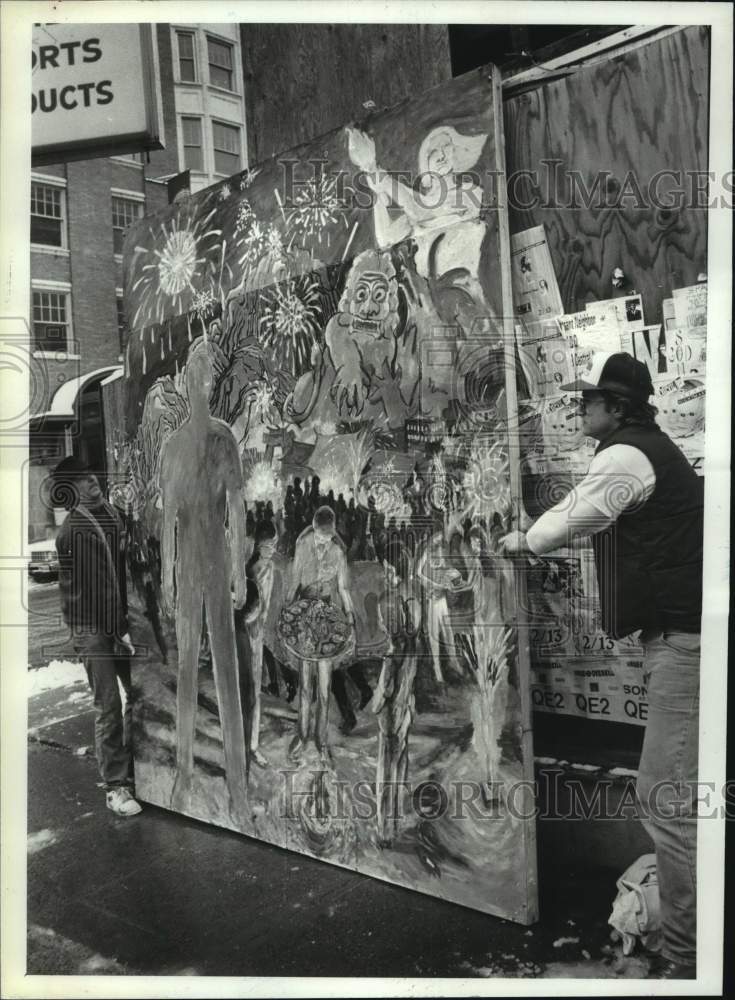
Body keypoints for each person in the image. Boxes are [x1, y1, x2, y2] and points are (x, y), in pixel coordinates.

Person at [500, 351, 702, 980]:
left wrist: (523, 540)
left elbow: (577, 515)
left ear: (618, 408)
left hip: (684, 644)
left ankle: (689, 957)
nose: (579, 407)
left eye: (589, 400)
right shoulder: (647, 451)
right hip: (682, 638)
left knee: (666, 803)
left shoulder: (627, 455)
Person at [52, 457, 141, 817]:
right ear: (72, 490)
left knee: (138, 693)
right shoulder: (74, 531)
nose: (95, 484)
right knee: (108, 703)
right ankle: (116, 787)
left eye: (94, 477)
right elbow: (99, 587)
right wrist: (121, 629)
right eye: (86, 481)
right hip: (92, 627)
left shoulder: (110, 514)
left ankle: (136, 769)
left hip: (113, 617)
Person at [283, 506, 355, 761]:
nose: (324, 541)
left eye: (327, 536)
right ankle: (302, 736)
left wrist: (350, 616)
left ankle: (321, 739)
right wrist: (286, 610)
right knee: (305, 687)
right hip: (304, 616)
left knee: (324, 689)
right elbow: (294, 582)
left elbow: (344, 588)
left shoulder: (337, 552)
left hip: (326, 617)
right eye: (320, 536)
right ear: (314, 529)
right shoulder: (302, 546)